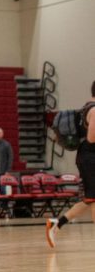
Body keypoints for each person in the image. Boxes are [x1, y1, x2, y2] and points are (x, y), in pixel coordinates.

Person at [46, 82, 95, 247]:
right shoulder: (94, 110)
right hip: (90, 158)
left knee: (89, 199)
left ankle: (56, 224)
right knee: (94, 198)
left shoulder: (85, 108)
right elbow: (92, 138)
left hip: (86, 157)